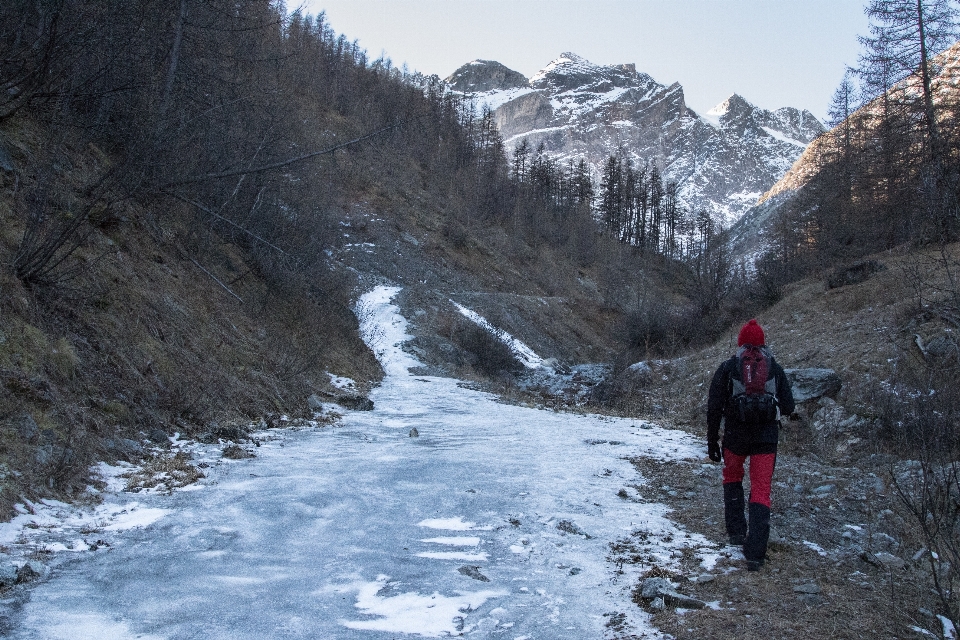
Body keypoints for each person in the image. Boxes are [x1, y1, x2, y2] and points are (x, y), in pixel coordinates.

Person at [706, 319, 794, 571]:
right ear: (763, 343)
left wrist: (712, 440)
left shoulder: (728, 367)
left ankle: (736, 533)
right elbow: (788, 406)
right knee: (761, 489)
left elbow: (713, 407)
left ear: (740, 342)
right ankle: (755, 554)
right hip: (766, 439)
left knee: (732, 477)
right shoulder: (774, 367)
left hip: (735, 436)